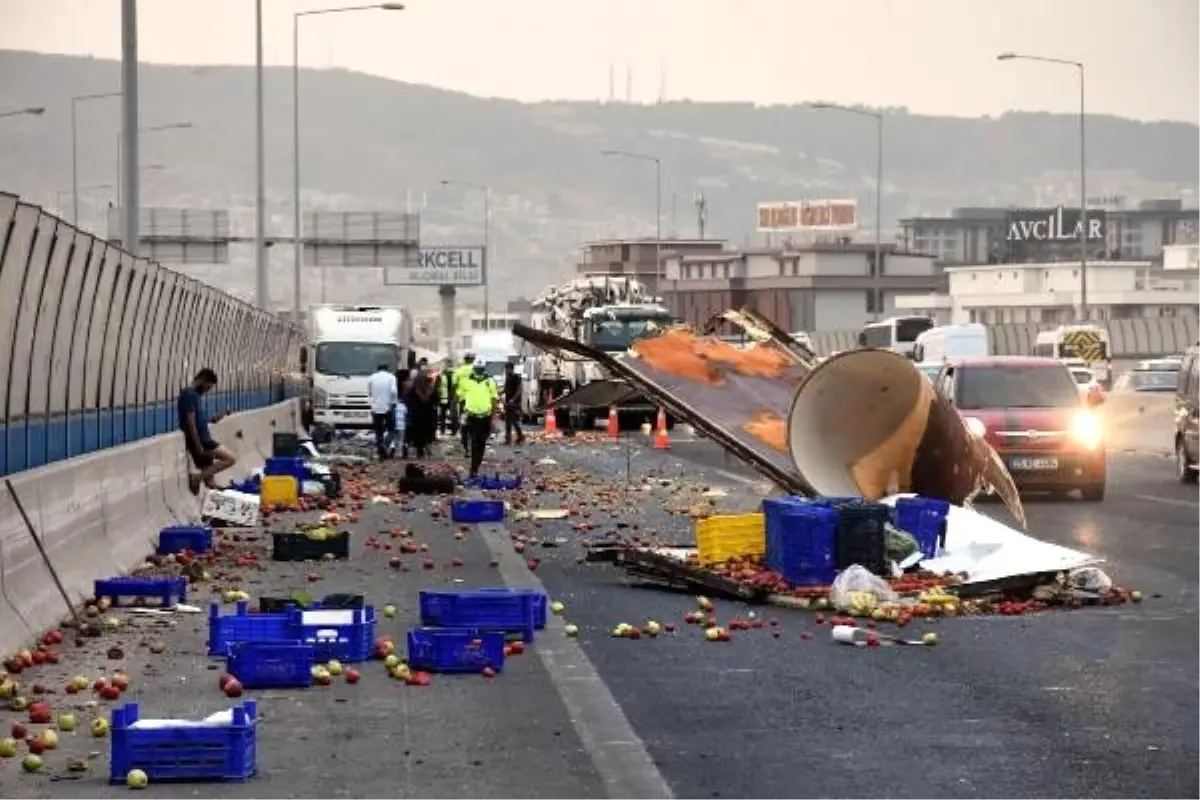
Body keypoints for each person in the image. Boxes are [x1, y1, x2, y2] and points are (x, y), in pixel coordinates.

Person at [178, 368, 237, 494]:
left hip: (203, 439)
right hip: (203, 441)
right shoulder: (189, 395)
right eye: (207, 387)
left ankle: (218, 506)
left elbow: (199, 421)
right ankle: (196, 478)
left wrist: (216, 417)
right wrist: (199, 446)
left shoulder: (195, 396)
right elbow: (191, 423)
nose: (207, 391)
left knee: (210, 483)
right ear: (202, 380)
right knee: (230, 458)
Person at [461, 360, 500, 477]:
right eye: (477, 368)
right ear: (474, 369)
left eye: (481, 368)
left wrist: (493, 417)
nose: (479, 370)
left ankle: (476, 465)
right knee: (474, 441)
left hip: (485, 416)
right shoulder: (466, 381)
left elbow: (494, 399)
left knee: (481, 442)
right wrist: (461, 414)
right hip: (472, 416)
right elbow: (461, 398)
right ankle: (473, 468)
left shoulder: (490, 382)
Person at [405, 363, 438, 458]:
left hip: (417, 414)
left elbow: (408, 400)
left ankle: (420, 451)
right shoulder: (431, 389)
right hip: (428, 414)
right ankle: (427, 449)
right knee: (427, 431)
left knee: (418, 431)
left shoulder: (414, 388)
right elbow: (436, 400)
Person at [367, 362, 399, 460]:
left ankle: (380, 451)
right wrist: (393, 403)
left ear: (378, 369)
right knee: (392, 429)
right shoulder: (391, 377)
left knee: (378, 430)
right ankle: (385, 444)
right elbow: (394, 391)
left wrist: (371, 405)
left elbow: (369, 393)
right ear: (386, 369)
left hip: (375, 407)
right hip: (388, 407)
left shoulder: (371, 378)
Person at [452, 353, 477, 452]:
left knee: (464, 422)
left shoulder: (459, 371)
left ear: (465, 360)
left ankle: (465, 443)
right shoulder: (477, 369)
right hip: (476, 400)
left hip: (463, 401)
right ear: (473, 359)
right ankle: (474, 443)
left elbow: (454, 385)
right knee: (475, 422)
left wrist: (454, 398)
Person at [503, 361, 526, 445]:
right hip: (507, 403)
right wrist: (500, 392)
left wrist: (514, 399)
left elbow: (519, 390)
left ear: (511, 369)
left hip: (514, 403)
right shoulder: (507, 377)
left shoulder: (516, 377)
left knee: (514, 421)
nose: (505, 371)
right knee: (507, 422)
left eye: (507, 369)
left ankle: (520, 436)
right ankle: (508, 439)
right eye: (505, 369)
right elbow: (506, 389)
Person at [437, 358, 457, 436]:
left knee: (451, 416)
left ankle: (452, 430)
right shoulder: (442, 375)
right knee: (445, 416)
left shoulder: (452, 375)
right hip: (445, 399)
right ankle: (445, 430)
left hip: (450, 399)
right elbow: (439, 387)